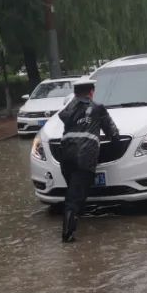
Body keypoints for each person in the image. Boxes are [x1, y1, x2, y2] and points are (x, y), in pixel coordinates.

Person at [56, 80, 119, 243]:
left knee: (73, 193)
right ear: (91, 92)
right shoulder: (98, 108)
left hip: (66, 157)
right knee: (74, 198)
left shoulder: (68, 109)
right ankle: (67, 235)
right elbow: (113, 133)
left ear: (75, 93)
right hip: (84, 158)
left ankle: (74, 224)